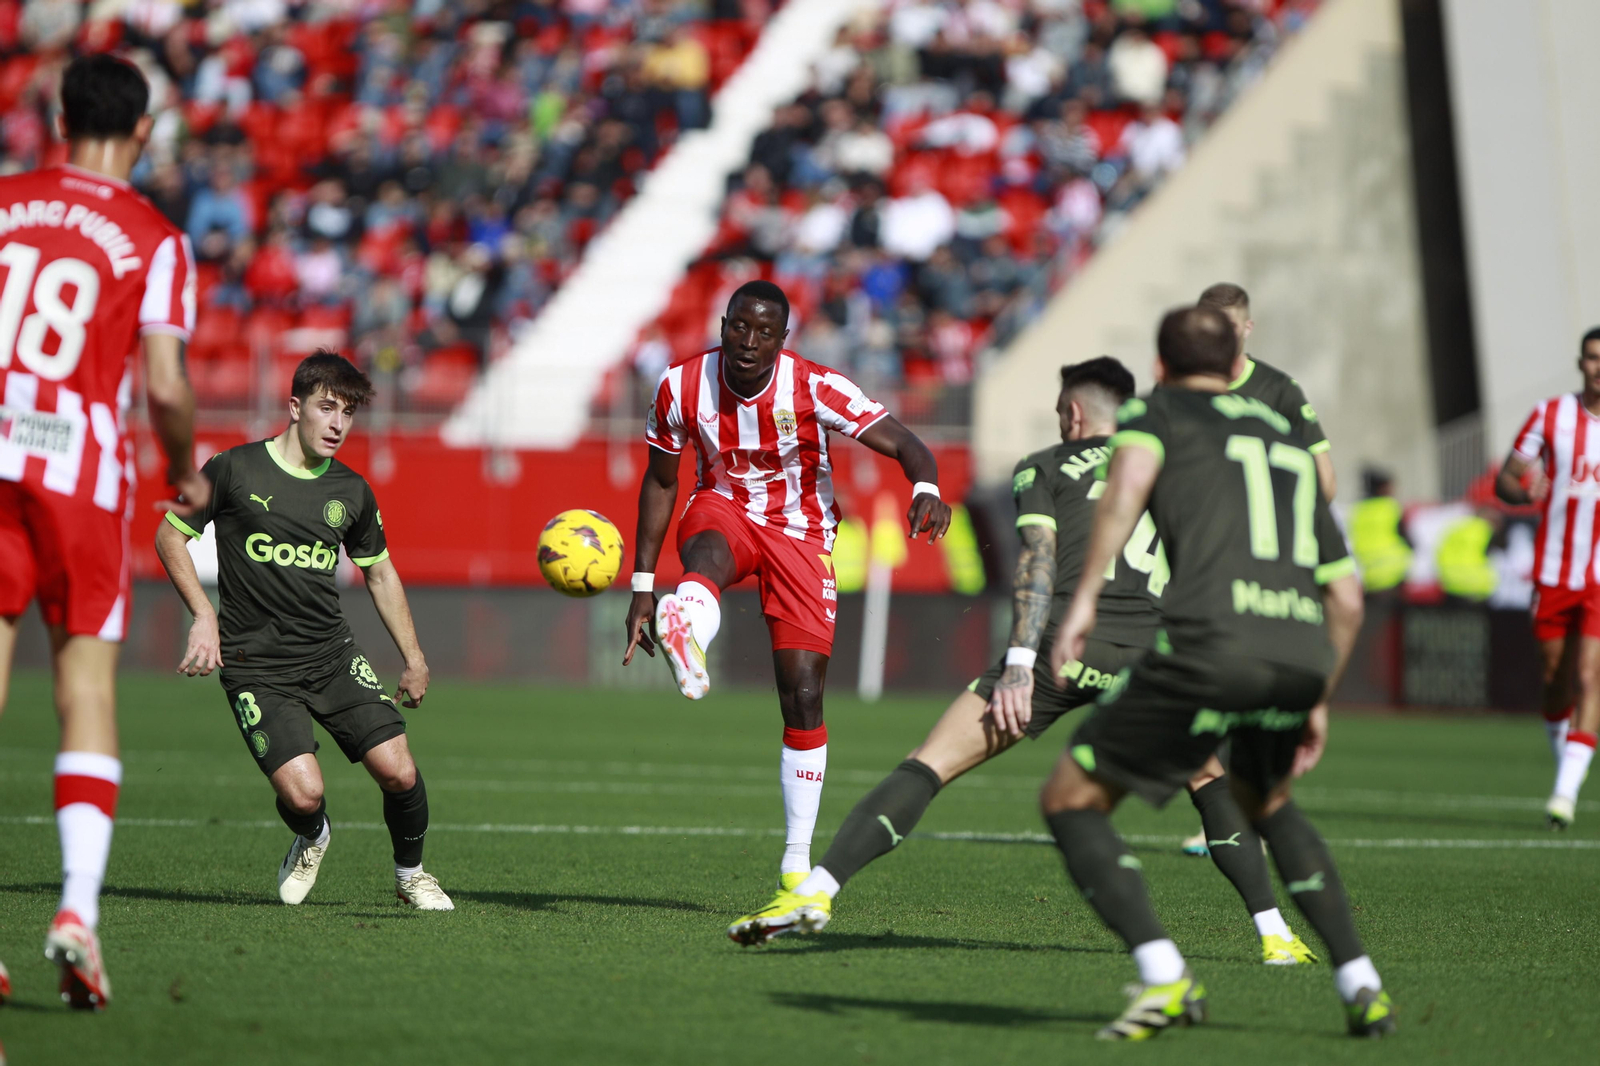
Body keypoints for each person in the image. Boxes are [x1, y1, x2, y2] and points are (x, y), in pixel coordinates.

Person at [726, 358, 1314, 967]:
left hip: (1061, 649)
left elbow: (1036, 563)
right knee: (1209, 781)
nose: (1060, 423)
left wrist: (1019, 666)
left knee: (928, 765)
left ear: (1076, 413)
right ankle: (1275, 935)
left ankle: (817, 893)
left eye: (1062, 412)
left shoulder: (1045, 466)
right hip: (1151, 659)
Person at [1041, 306, 1388, 1041]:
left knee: (1071, 800)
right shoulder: (1289, 443)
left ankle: (1164, 977)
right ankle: (1361, 982)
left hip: (1209, 646)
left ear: (1161, 366)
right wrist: (1320, 695)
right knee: (1270, 803)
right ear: (1238, 363)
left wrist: (1078, 605)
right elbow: (1348, 597)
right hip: (1294, 653)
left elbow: (1122, 495)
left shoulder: (1156, 412)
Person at [624, 280, 952, 888]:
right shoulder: (678, 384)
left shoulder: (814, 385)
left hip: (802, 535)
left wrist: (926, 487)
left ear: (783, 338)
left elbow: (905, 441)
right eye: (738, 327)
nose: (748, 342)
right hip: (722, 505)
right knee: (709, 551)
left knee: (802, 693)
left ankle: (796, 860)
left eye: (764, 331)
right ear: (722, 324)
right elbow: (662, 481)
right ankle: (685, 619)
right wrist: (643, 581)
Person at [0, 54, 208, 1011]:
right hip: (79, 477)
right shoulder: (153, 237)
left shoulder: (6, 201)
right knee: (83, 687)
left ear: (56, 114)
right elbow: (163, 383)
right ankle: (77, 909)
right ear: (143, 130)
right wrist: (181, 468)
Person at [155, 352, 453, 911]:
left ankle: (411, 874)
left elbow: (380, 572)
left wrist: (413, 657)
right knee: (304, 792)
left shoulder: (353, 491)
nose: (338, 424)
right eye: (326, 408)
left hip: (330, 656)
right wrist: (203, 613)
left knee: (398, 769)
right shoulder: (231, 469)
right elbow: (170, 537)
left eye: (348, 413)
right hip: (255, 665)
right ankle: (313, 834)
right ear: (295, 408)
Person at [1173, 282, 1338, 858]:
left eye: (1227, 328)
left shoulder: (1279, 390)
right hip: (1209, 559)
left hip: (1271, 560)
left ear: (1246, 329)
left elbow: (1326, 479)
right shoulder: (1183, 387)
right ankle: (1227, 811)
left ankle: (1262, 810)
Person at [1495, 326, 1600, 826]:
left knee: (1589, 675)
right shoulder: (1550, 414)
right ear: (1580, 363)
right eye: (1593, 358)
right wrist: (1523, 491)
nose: (1599, 367)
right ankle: (1568, 771)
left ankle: (1564, 793)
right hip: (1554, 570)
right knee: (1556, 678)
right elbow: (1507, 478)